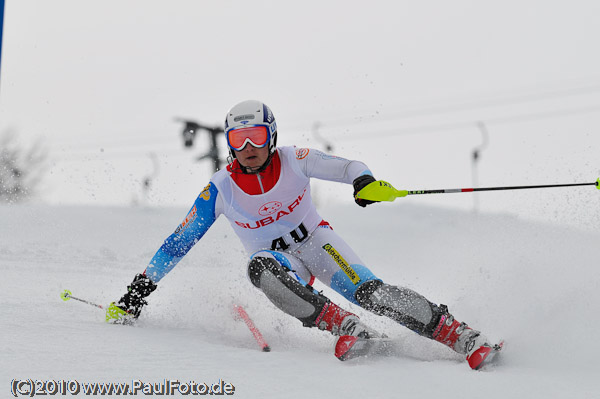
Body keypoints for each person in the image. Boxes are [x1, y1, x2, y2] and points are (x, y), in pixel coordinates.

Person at [106, 100, 495, 369]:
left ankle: (461, 336)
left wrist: (364, 181)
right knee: (259, 267)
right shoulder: (220, 188)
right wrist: (140, 289)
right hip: (282, 263)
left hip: (319, 244)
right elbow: (178, 242)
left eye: (256, 136)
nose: (248, 148)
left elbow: (348, 167)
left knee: (370, 293)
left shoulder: (294, 160)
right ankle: (345, 327)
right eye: (238, 141)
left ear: (271, 134)